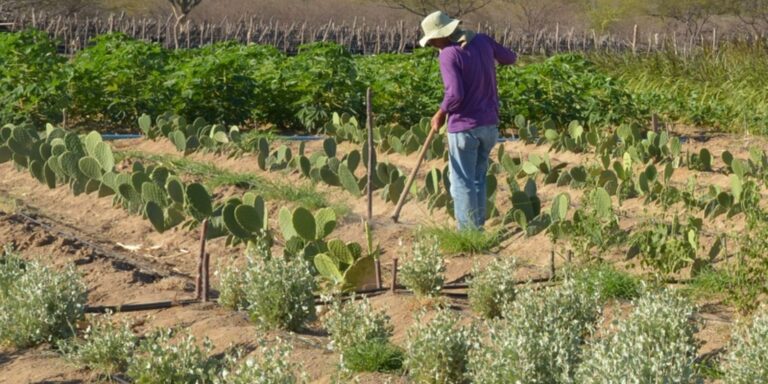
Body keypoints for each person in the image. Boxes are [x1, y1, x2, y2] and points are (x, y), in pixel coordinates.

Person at [419, 10, 517, 230]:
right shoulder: (482, 40)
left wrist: (440, 113)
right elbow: (510, 58)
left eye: (433, 40)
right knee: (478, 179)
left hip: (464, 127)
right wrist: (484, 53)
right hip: (489, 126)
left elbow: (455, 94)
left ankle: (467, 233)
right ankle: (477, 229)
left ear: (443, 34)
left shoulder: (448, 54)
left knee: (462, 182)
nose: (433, 44)